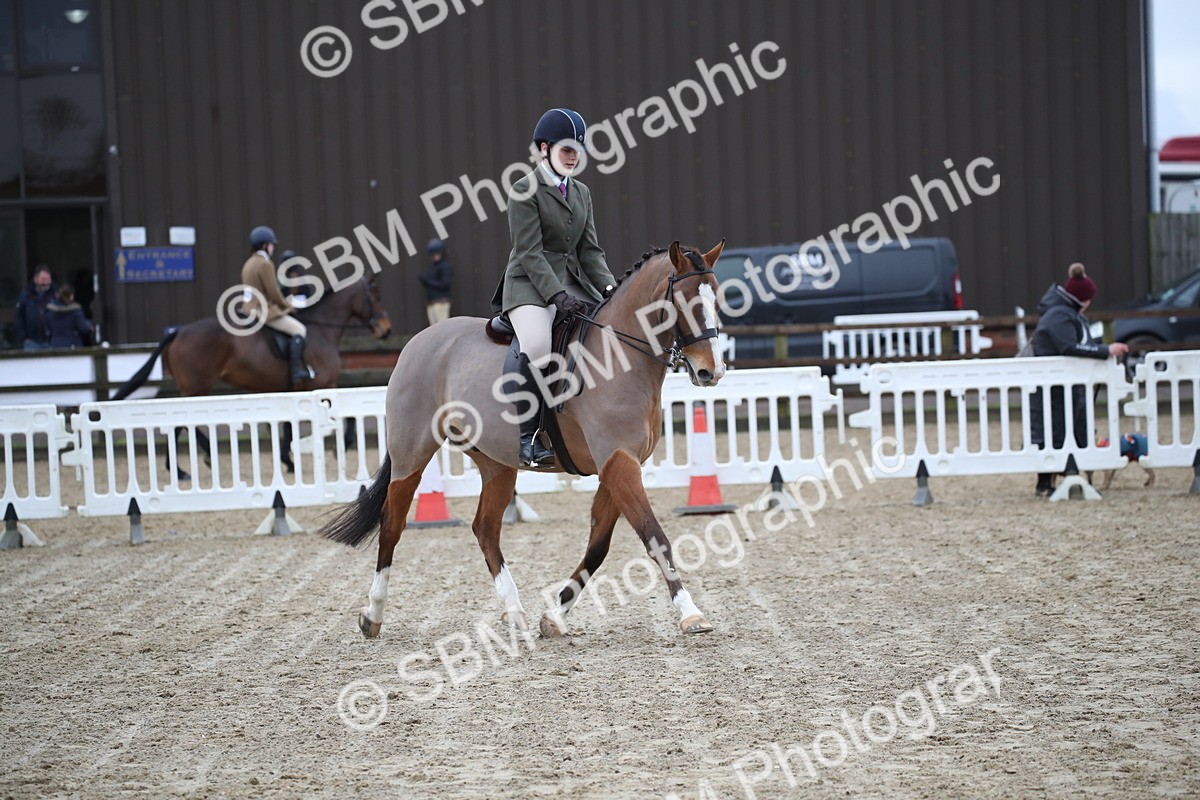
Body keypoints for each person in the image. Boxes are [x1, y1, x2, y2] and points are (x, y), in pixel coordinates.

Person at [495, 108, 617, 467]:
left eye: (578, 150)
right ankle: (529, 437)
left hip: (571, 282)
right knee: (537, 343)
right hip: (528, 286)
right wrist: (556, 295)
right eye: (567, 150)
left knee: (608, 327)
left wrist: (611, 290)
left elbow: (590, 251)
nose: (574, 156)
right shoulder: (524, 190)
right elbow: (530, 254)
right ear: (544, 149)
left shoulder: (581, 192)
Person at [1029, 262, 1129, 497]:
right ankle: (1047, 482)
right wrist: (1105, 351)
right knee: (1053, 430)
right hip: (1053, 387)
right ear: (1084, 298)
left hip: (1063, 386)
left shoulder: (1064, 313)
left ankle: (1062, 476)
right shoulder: (1060, 315)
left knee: (1063, 428)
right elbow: (1069, 347)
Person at [240, 226, 314, 384]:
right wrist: (288, 307)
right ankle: (295, 371)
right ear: (265, 245)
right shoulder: (265, 264)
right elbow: (273, 292)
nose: (273, 248)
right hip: (263, 310)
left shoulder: (249, 263)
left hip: (248, 308)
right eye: (272, 244)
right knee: (299, 329)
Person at [15, 266, 56, 350]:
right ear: (36, 279)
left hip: (51, 341)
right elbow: (19, 317)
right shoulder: (26, 295)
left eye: (48, 279)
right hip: (31, 342)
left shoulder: (55, 295)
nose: (46, 282)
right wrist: (24, 337)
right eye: (43, 279)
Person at [46, 284, 94, 348]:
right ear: (71, 296)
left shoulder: (50, 311)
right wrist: (89, 324)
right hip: (72, 345)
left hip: (55, 345)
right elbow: (83, 328)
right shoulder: (76, 311)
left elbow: (47, 329)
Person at [420, 238, 452, 325]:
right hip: (431, 302)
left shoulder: (445, 266)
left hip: (441, 302)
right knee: (433, 328)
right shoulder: (433, 267)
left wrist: (428, 282)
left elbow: (445, 283)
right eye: (433, 254)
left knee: (442, 327)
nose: (435, 255)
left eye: (437, 253)